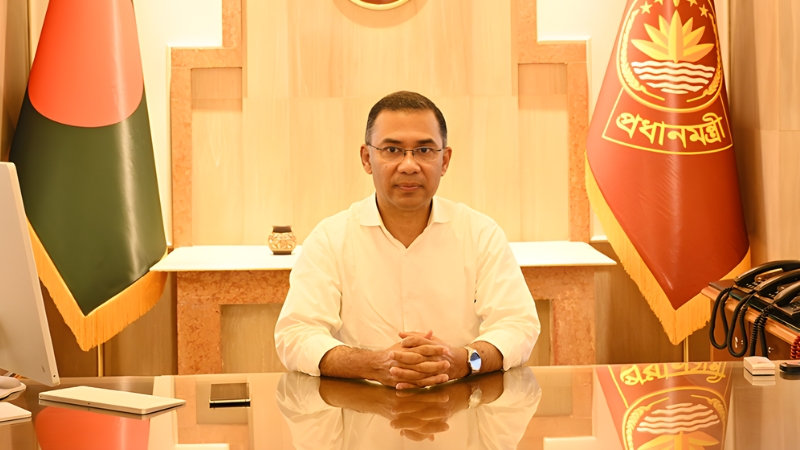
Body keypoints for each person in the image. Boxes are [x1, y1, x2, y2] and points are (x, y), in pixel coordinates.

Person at [275, 91, 540, 389]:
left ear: (444, 160)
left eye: (424, 150)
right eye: (392, 150)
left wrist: (465, 361)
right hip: (363, 406)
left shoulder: (480, 234)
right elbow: (296, 335)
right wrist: (374, 365)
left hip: (459, 404)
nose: (409, 165)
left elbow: (517, 327)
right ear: (367, 158)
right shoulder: (330, 238)